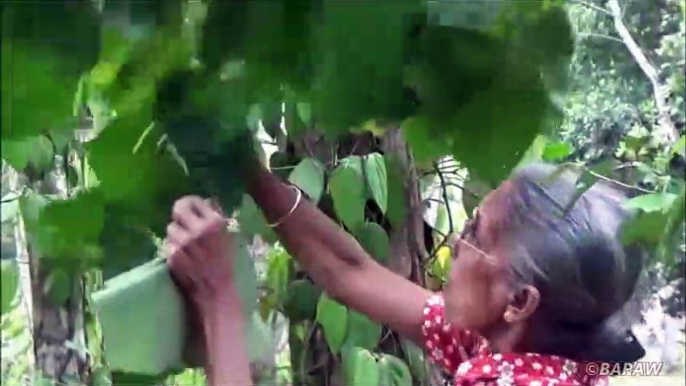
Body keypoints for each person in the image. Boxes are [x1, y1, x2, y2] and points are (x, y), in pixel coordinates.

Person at [165, 160, 647, 386]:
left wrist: (219, 300)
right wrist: (247, 167)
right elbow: (350, 271)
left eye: (476, 235)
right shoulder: (521, 344)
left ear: (519, 301)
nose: (456, 244)